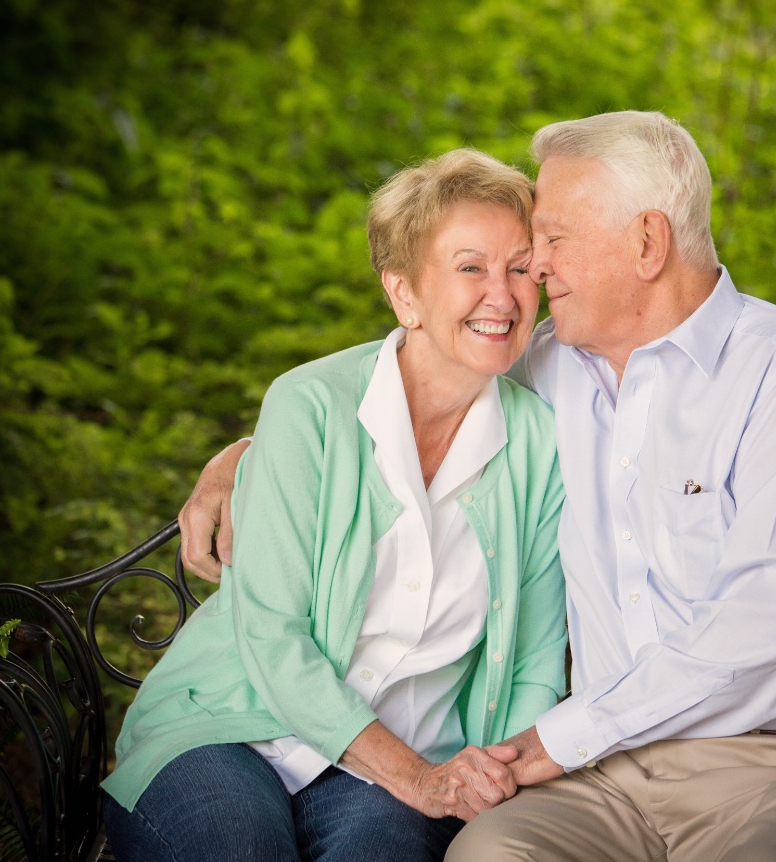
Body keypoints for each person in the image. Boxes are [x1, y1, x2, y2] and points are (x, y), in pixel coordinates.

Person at [181, 112, 776, 861]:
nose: (533, 269)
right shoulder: (548, 369)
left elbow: (773, 627)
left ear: (647, 241)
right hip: (607, 779)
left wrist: (560, 737)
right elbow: (406, 381)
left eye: (548, 242)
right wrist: (248, 453)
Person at [101, 149, 568, 862]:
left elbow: (535, 658)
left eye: (517, 266)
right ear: (403, 293)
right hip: (231, 728)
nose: (501, 295)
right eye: (470, 267)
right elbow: (272, 634)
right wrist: (420, 779)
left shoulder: (539, 441)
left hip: (413, 766)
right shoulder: (310, 406)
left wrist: (482, 774)